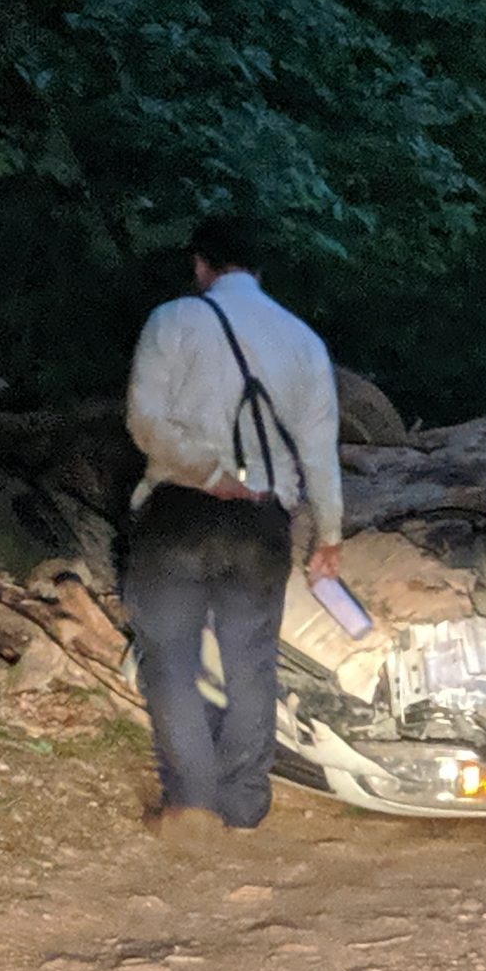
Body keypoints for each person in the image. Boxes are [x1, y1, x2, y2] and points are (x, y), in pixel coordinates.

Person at [122, 216, 342, 837]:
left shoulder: (173, 322)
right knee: (251, 663)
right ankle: (244, 804)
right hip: (263, 521)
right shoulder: (302, 340)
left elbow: (144, 420)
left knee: (170, 660)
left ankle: (192, 804)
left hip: (181, 511)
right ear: (260, 267)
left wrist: (207, 469)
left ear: (200, 265)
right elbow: (320, 451)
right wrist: (330, 535)